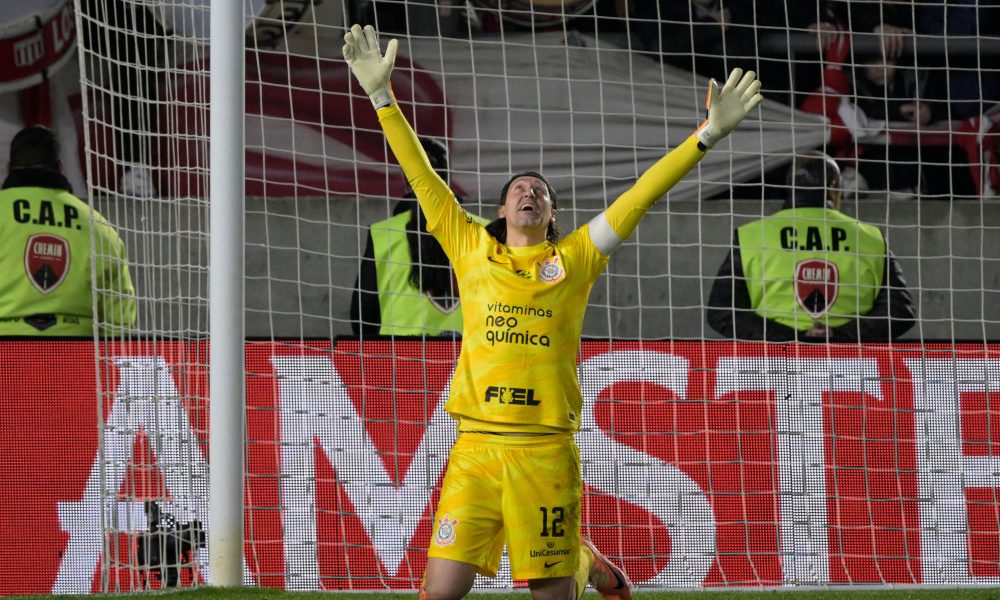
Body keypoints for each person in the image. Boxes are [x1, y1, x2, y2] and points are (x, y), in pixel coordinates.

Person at [343, 23, 762, 600]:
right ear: (500, 207)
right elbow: (422, 177)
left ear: (552, 213)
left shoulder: (576, 258)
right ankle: (583, 557)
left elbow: (639, 195)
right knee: (439, 594)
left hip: (545, 451)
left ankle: (581, 560)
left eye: (540, 189)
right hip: (475, 448)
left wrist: (707, 135)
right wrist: (382, 97)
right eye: (519, 186)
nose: (529, 191)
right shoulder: (470, 248)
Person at [706, 151, 915, 343]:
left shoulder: (751, 236)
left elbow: (722, 312)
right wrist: (838, 336)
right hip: (851, 365)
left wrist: (792, 338)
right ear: (834, 188)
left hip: (772, 365)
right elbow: (899, 311)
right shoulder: (872, 238)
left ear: (790, 188)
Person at [0, 125, 137, 336]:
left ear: (8, 168)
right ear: (60, 167)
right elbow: (121, 320)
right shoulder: (99, 226)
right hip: (75, 357)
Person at [351, 136, 486, 337]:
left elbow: (362, 316)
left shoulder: (383, 234)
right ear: (448, 177)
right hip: (476, 357)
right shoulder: (485, 230)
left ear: (405, 179)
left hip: (402, 359)